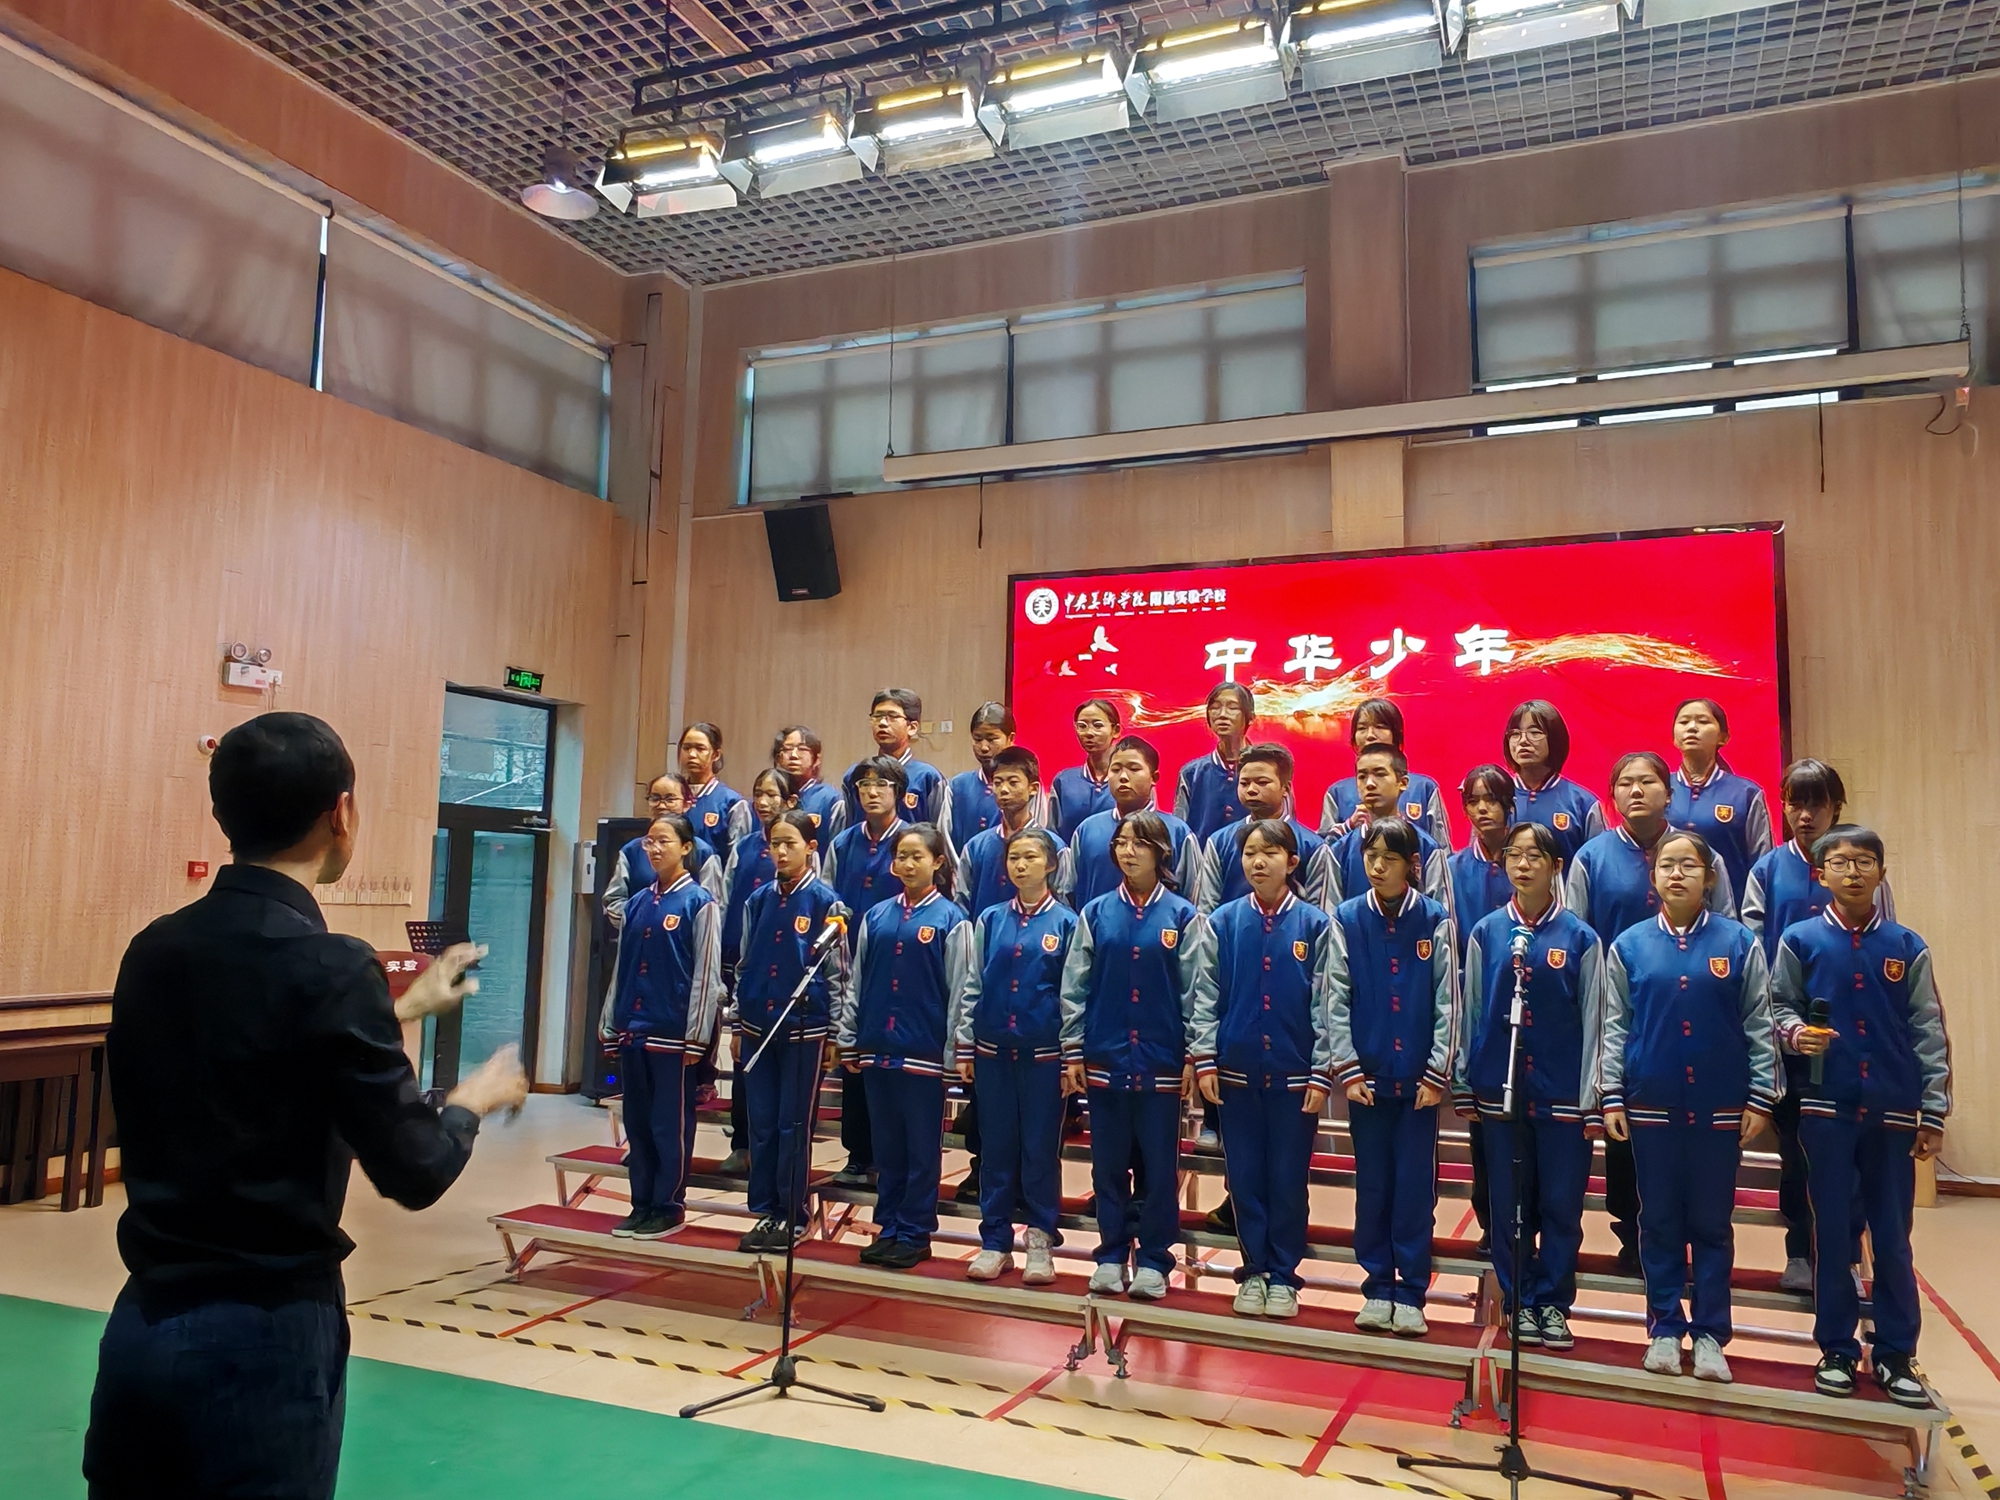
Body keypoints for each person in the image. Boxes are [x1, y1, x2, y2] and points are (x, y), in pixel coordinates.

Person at [85, 713, 528, 1500]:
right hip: (264, 1340)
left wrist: (397, 1010)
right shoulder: (332, 966)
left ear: (222, 812)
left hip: (142, 1331)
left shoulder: (154, 948)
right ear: (342, 814)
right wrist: (471, 1099)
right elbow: (416, 1168)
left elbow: (250, 1055)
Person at [1771, 826, 1949, 1407]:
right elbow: (1777, 1007)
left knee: (1893, 1238)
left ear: (1881, 873)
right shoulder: (1799, 940)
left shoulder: (1907, 946)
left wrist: (1933, 1110)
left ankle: (1896, 1353)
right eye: (1841, 863)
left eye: (1865, 862)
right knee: (1832, 1234)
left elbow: (1927, 1029)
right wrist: (1796, 1035)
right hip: (1825, 1111)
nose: (1853, 871)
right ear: (1821, 874)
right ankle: (1837, 1349)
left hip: (1893, 1113)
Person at [1600, 827, 1777, 1385]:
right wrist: (1611, 1093)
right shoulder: (1628, 946)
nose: (1676, 874)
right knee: (1657, 1221)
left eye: (1688, 866)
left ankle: (1710, 1335)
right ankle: (1663, 1328)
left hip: (1719, 1108)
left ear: (1711, 877)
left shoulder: (1739, 943)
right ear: (1653, 877)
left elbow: (1759, 1023)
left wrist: (1761, 1096)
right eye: (1666, 865)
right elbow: (1614, 1026)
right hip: (1650, 1106)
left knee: (1712, 1224)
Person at [1565, 751, 1733, 1275]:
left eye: (1647, 782)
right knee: (1627, 1136)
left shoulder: (1700, 854)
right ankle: (1633, 1237)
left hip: (1695, 1013)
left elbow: (1728, 927)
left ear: (1669, 792)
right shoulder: (1591, 857)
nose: (1635, 791)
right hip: (1619, 1012)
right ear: (1612, 795)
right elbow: (1575, 935)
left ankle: (1696, 1240)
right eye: (1625, 783)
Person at [1740, 759, 1892, 1291]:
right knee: (1797, 1153)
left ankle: (1845, 1253)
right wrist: (1777, 1023)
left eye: (1817, 804)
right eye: (1795, 804)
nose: (1805, 815)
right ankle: (1800, 1252)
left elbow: (1885, 944)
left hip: (1851, 1037)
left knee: (1850, 1155)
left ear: (1836, 807)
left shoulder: (1860, 868)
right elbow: (1752, 954)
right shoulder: (1766, 871)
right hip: (1788, 1034)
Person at [1454, 821, 1605, 1355]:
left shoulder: (1582, 938)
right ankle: (1519, 1299)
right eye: (1514, 855)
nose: (1522, 864)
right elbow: (1473, 1007)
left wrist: (1592, 1096)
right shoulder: (1488, 932)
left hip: (1563, 1095)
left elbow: (1595, 1019)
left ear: (1556, 866)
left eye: (1534, 855)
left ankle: (1554, 1304)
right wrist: (1466, 1079)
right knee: (1508, 1203)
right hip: (1502, 1093)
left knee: (1561, 1205)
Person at [1061, 811, 1209, 1301]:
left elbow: (1195, 992)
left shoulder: (1183, 916)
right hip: (1105, 1059)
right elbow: (1075, 987)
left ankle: (1154, 1259)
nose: (1128, 851)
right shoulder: (1096, 913)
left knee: (1158, 1170)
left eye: (1139, 843)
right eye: (1121, 843)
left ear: (1160, 852)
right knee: (1107, 1167)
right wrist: (1073, 1048)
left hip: (1162, 1062)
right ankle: (1110, 1254)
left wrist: (1193, 1055)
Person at [1189, 820, 1335, 1320]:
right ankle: (1253, 1271)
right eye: (1250, 852)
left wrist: (1321, 1071)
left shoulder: (1315, 925)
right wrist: (1205, 1059)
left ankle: (1284, 1276)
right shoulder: (1223, 922)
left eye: (1269, 852)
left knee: (1288, 1181)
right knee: (1245, 1179)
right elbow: (1205, 996)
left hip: (1294, 1077)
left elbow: (1327, 1003)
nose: (1257, 861)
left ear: (1291, 862)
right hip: (1235, 1075)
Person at [1327, 818, 1456, 1337]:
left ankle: (1412, 1291)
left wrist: (1437, 1071)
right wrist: (1348, 1068)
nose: (1378, 866)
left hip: (1419, 1085)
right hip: (1368, 1082)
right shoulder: (1346, 918)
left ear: (1412, 865)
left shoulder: (1435, 919)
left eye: (1390, 858)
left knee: (1414, 1189)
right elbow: (1334, 997)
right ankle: (1378, 1285)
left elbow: (1448, 1000)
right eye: (1371, 856)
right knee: (1373, 1186)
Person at [838, 825, 976, 1270]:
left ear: (938, 863)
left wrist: (957, 1050)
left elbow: (961, 989)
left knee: (920, 1149)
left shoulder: (952, 921)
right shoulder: (876, 916)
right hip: (878, 1047)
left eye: (918, 856)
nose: (908, 863)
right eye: (901, 856)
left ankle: (915, 1231)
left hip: (924, 1052)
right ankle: (889, 1226)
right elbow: (857, 980)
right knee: (887, 1147)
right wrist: (849, 1035)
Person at [952, 828, 1077, 1284]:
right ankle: (995, 1241)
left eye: (1031, 857)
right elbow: (972, 984)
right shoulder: (989, 919)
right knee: (996, 1149)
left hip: (1044, 1055)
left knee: (1040, 1151)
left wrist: (1072, 1052)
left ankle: (1040, 1241)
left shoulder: (1066, 923)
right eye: (1014, 858)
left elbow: (1073, 992)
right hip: (991, 1052)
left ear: (1051, 865)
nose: (1021, 865)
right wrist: (964, 1043)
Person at [600, 814, 724, 1238]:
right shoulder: (636, 903)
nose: (654, 849)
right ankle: (641, 1204)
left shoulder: (700, 903)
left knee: (668, 1125)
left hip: (674, 1033)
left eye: (663, 841)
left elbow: (706, 975)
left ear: (686, 848)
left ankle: (668, 1205)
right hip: (634, 1028)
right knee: (637, 1124)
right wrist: (610, 1023)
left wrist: (697, 1037)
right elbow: (623, 967)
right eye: (649, 842)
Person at [732, 810, 849, 1254]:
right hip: (757, 1026)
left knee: (791, 1124)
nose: (780, 852)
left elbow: (838, 973)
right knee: (761, 1123)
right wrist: (737, 1022)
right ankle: (765, 1209)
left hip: (805, 1028)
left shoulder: (825, 903)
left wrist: (835, 1033)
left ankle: (792, 1212)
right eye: (774, 844)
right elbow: (744, 964)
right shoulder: (758, 900)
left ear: (811, 848)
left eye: (790, 844)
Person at [822, 756, 916, 1187]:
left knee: (893, 1066)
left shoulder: (913, 840)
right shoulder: (843, 843)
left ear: (899, 792)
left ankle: (896, 1158)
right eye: (864, 785)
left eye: (881, 784)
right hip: (849, 964)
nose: (872, 792)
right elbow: (827, 897)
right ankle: (858, 1155)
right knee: (856, 1062)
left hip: (900, 963)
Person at [1447, 764, 1522, 1258]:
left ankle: (1525, 1229)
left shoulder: (1531, 859)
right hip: (1475, 1008)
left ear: (1509, 804)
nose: (1481, 809)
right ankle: (1490, 1223)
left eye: (1490, 799)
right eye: (1472, 801)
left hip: (1528, 1006)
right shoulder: (1453, 867)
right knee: (1483, 1125)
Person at [716, 767, 797, 1175]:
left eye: (772, 794)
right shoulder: (745, 846)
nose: (762, 802)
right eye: (757, 794)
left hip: (787, 970)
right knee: (743, 1057)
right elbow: (726, 897)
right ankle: (742, 1142)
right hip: (746, 963)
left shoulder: (801, 852)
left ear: (791, 801)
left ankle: (779, 1156)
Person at [1194, 742, 1333, 914]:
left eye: (1262, 782)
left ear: (1285, 788)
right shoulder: (1219, 842)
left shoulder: (1312, 846)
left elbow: (1318, 913)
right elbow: (1206, 909)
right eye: (1244, 783)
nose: (1251, 790)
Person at [1667, 698, 1773, 908]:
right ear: (1674, 738)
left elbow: (1762, 863)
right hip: (1667, 911)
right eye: (1684, 722)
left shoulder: (1746, 793)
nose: (1692, 727)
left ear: (1723, 737)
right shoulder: (1659, 788)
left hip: (1730, 912)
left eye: (1703, 721)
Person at [1071, 735, 1199, 908]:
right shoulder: (1087, 830)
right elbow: (1069, 892)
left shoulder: (1178, 832)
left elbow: (1193, 895)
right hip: (1098, 924)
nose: (1123, 777)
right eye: (1116, 769)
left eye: (1134, 769)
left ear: (1154, 778)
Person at [1324, 746, 1452, 910]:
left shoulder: (1428, 848)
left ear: (1403, 783)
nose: (1369, 784)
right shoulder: (1339, 852)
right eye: (1362, 776)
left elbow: (1442, 914)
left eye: (1380, 774)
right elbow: (1331, 915)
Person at [1319, 698, 1452, 848]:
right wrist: (1349, 826)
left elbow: (1442, 849)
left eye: (1380, 726)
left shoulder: (1424, 788)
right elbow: (1324, 851)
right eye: (1362, 728)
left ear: (1396, 734)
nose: (1370, 735)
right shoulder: (1337, 792)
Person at [958, 745, 1069, 916]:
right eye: (997, 783)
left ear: (1033, 788)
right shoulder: (976, 846)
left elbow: (1063, 901)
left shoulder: (1054, 846)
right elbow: (962, 903)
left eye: (1013, 782)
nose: (1004, 790)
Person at [605, 774, 724, 919]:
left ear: (687, 804)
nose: (661, 805)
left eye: (670, 799)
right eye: (655, 798)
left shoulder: (703, 852)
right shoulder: (631, 851)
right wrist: (638, 921)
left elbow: (712, 905)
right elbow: (613, 901)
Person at [1504, 701, 1603, 863]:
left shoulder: (1583, 804)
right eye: (1515, 734)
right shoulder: (1495, 799)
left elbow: (1598, 864)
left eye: (1534, 732)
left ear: (1555, 739)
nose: (1523, 741)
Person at [843, 687, 944, 827]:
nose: (882, 723)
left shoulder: (927, 776)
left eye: (892, 717)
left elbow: (938, 832)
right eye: (877, 716)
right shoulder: (856, 774)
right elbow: (848, 827)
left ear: (912, 727)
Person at [1175, 682, 1255, 843]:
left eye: (1232, 707)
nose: (1222, 714)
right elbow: (1179, 830)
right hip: (1202, 857)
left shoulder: (1267, 769)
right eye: (1215, 707)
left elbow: (1283, 826)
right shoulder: (1192, 772)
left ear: (1250, 717)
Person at [940, 701, 1021, 858]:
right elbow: (945, 836)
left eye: (992, 739)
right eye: (977, 739)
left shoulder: (1027, 785)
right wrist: (963, 868)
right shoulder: (958, 786)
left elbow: (1037, 832)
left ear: (1010, 738)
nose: (983, 747)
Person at [1052, 698, 1121, 841]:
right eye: (1082, 726)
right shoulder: (1064, 781)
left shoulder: (1130, 779)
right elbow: (1052, 833)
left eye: (1098, 725)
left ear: (1115, 730)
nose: (1089, 733)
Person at [773, 724, 845, 840]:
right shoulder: (770, 798)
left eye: (802, 749)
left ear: (817, 759)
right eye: (788, 749)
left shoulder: (830, 799)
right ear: (778, 758)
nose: (794, 755)